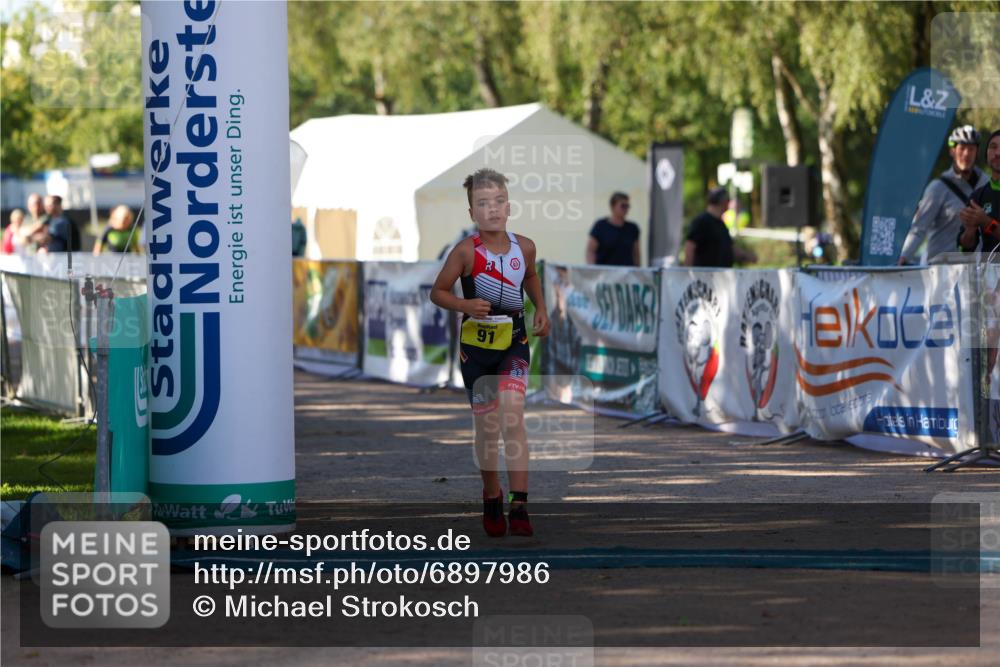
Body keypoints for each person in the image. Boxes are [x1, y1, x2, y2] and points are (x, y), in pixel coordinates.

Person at [429, 168, 550, 538]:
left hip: (513, 342)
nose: (492, 209)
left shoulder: (525, 246)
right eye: (483, 204)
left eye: (498, 202)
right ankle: (491, 495)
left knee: (513, 417)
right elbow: (438, 292)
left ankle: (520, 505)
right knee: (488, 428)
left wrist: (540, 307)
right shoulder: (465, 252)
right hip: (476, 351)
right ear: (472, 214)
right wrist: (465, 305)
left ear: (509, 206)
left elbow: (529, 275)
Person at [899, 125, 987, 264]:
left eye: (971, 149)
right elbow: (919, 229)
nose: (966, 154)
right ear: (952, 151)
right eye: (962, 148)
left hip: (974, 271)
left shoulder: (986, 184)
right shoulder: (937, 188)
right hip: (940, 271)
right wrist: (903, 258)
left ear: (977, 152)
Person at [684, 187, 756, 267]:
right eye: (728, 201)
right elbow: (690, 247)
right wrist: (688, 272)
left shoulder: (721, 224)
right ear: (723, 202)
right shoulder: (701, 222)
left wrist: (746, 255)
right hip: (705, 277)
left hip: (721, 276)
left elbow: (730, 248)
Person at [958, 129, 1000, 256]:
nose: (998, 153)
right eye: (993, 147)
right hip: (988, 274)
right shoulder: (977, 196)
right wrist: (970, 231)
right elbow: (965, 250)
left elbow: (987, 223)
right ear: (986, 153)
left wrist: (987, 222)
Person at [586, 192, 640, 266]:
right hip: (604, 273)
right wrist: (592, 269)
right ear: (612, 206)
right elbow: (591, 251)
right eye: (623, 206)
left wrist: (637, 271)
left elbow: (636, 253)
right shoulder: (600, 226)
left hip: (627, 274)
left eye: (627, 206)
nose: (626, 209)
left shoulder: (633, 228)